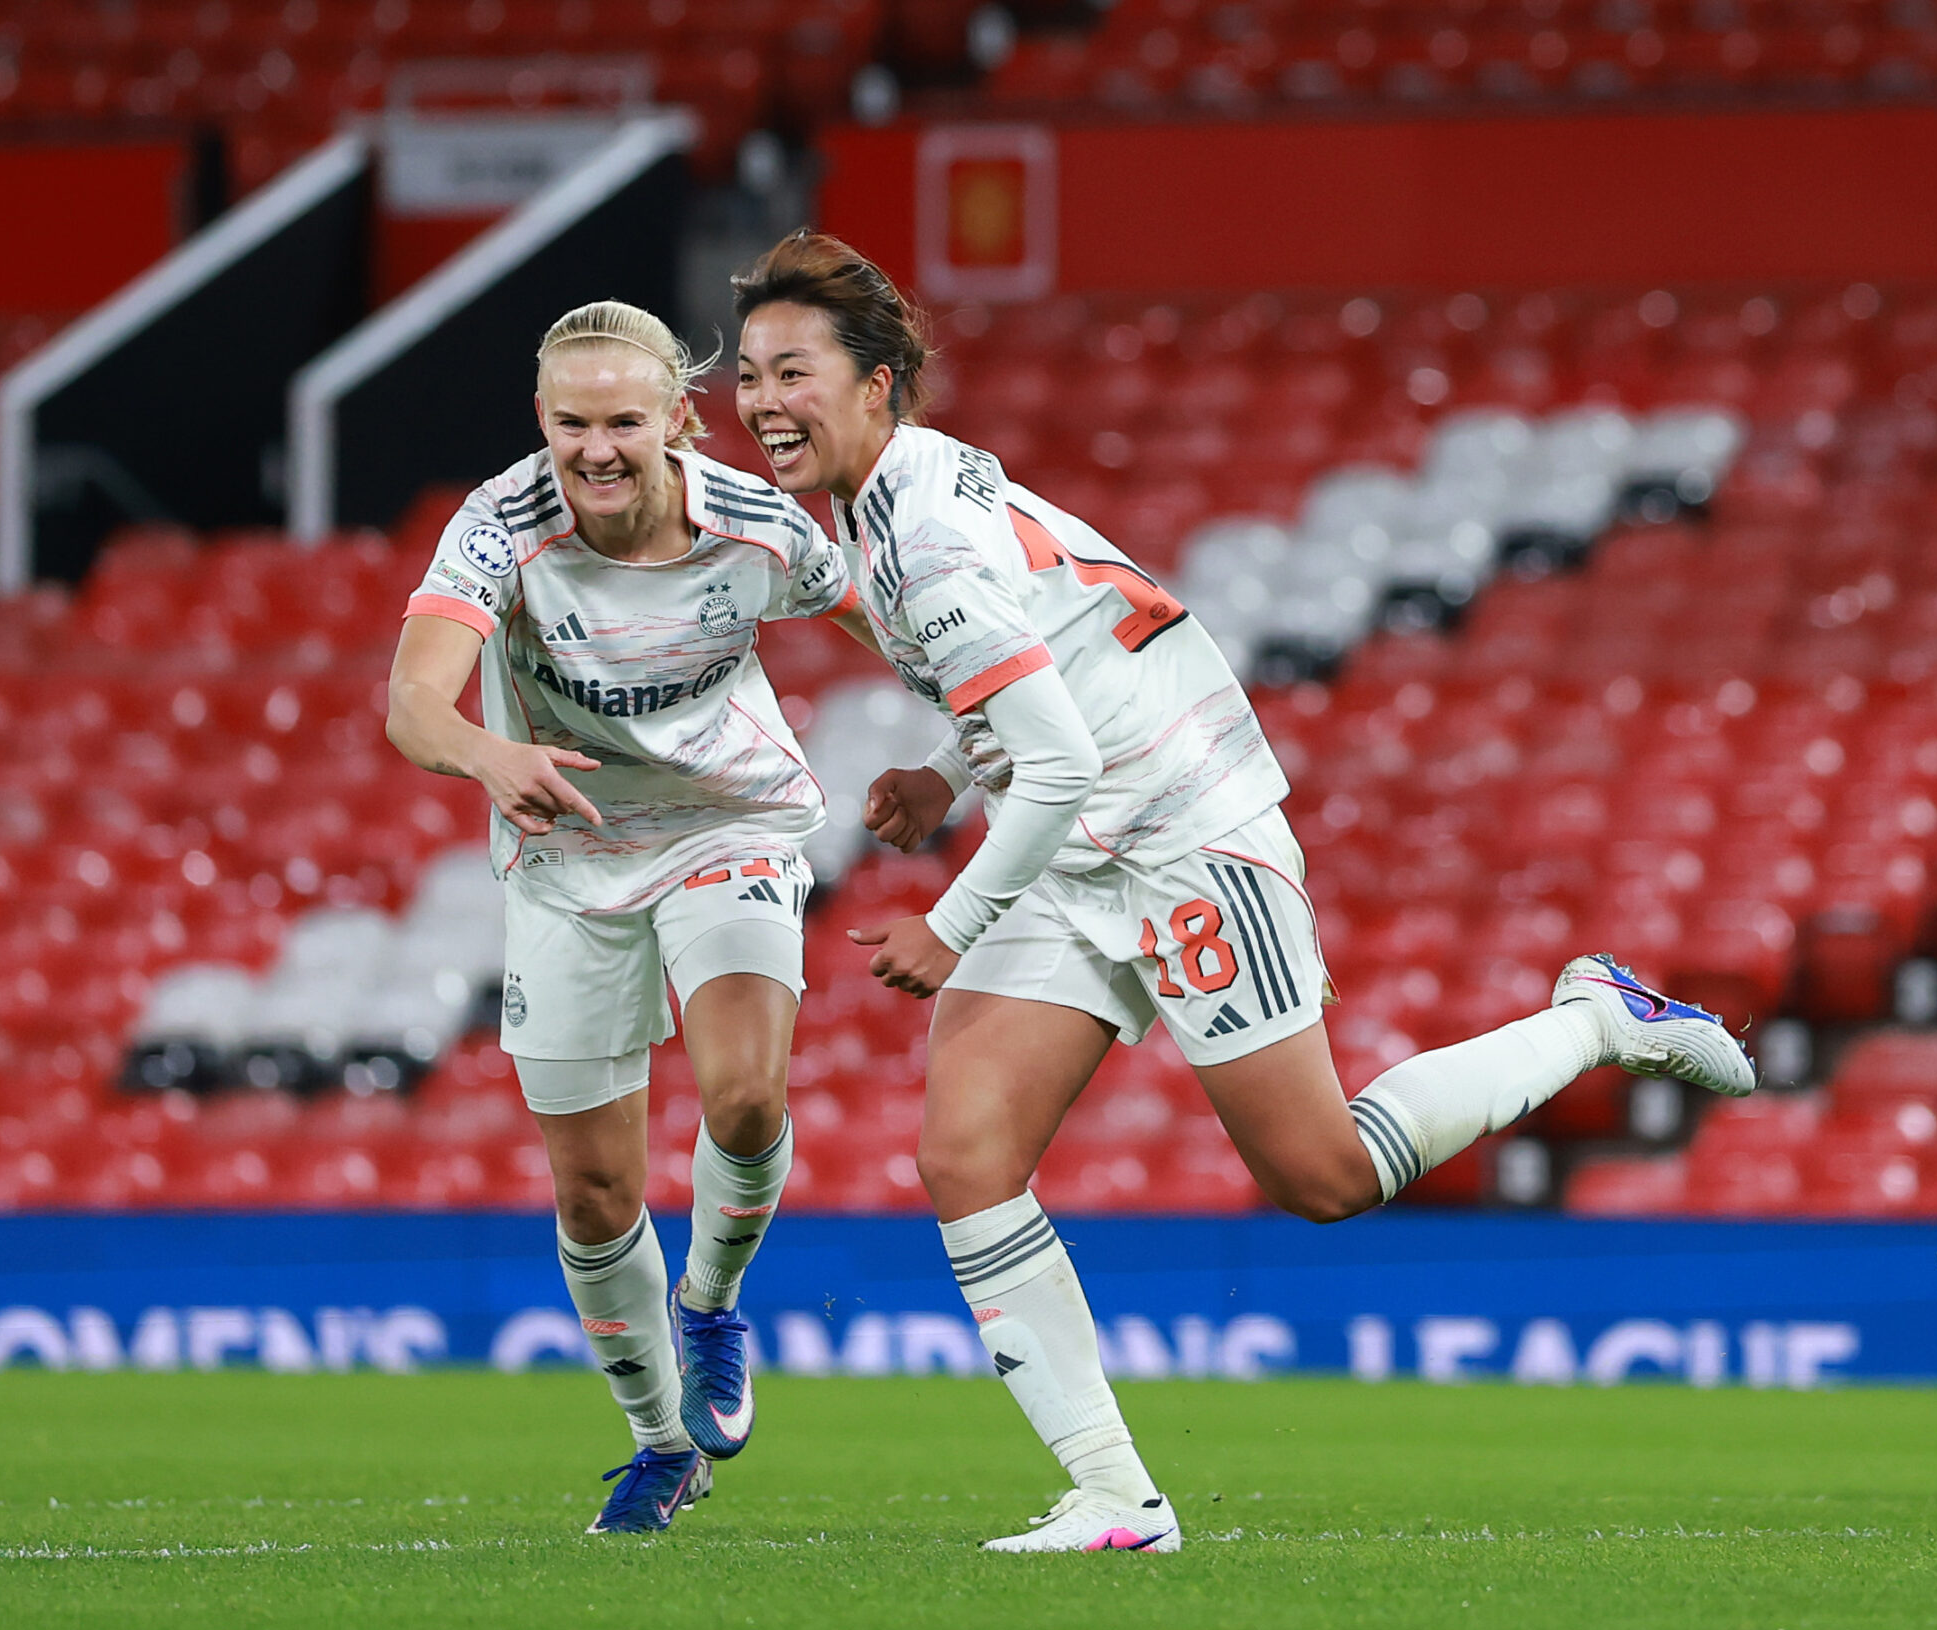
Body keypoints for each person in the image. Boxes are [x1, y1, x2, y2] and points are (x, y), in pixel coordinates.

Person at [731, 232, 1757, 1554]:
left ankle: (1595, 1017)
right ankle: (1116, 1495)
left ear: (878, 384)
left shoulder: (922, 531)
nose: (762, 401)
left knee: (1325, 1176)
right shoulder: (888, 504)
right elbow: (1045, 669)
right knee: (965, 1153)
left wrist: (954, 912)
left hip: (1181, 830)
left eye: (793, 370)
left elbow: (1057, 754)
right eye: (750, 374)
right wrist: (940, 771)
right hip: (1080, 834)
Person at [385, 300, 869, 1533]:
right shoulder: (499, 524)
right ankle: (662, 1446)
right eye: (568, 425)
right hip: (565, 856)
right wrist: (490, 756)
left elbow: (871, 612)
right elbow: (413, 704)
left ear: (674, 422)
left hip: (727, 826)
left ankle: (709, 1302)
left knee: (745, 1096)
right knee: (595, 1193)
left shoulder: (754, 522)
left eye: (621, 423)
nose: (595, 451)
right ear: (540, 424)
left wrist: (978, 723)